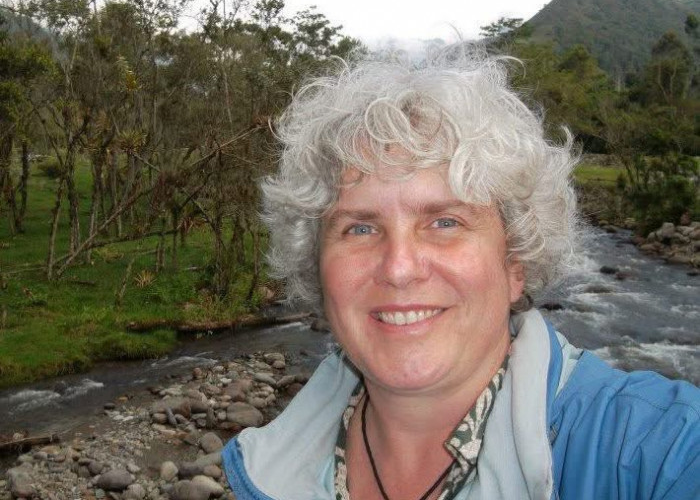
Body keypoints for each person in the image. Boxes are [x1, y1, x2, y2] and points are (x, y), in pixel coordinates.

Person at [221, 48, 700, 499]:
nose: (400, 268)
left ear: (515, 262)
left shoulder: (655, 451)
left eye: (445, 222)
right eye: (360, 228)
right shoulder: (269, 466)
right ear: (318, 267)